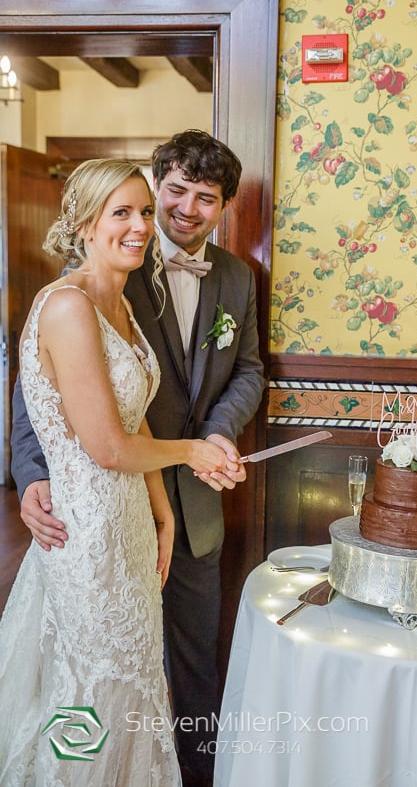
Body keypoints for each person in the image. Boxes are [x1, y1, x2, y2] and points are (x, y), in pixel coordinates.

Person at [10, 131, 266, 786]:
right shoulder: (82, 298)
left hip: (161, 514)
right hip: (89, 528)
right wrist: (32, 473)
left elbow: (241, 372)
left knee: (168, 671)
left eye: (199, 199)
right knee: (89, 686)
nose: (157, 219)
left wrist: (176, 494)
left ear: (222, 206)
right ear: (86, 220)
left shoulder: (217, 281)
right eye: (155, 199)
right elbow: (70, 416)